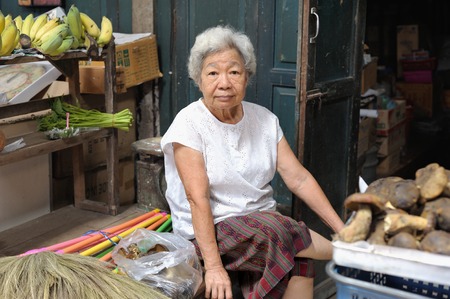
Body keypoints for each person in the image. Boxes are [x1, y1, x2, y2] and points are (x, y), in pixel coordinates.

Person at [160, 25, 345, 299]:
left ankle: (347, 245)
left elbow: (299, 178)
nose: (224, 83)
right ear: (198, 79)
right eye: (213, 73)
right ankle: (349, 253)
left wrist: (341, 229)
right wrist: (213, 267)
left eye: (234, 72)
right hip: (211, 228)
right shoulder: (189, 124)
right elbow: (196, 198)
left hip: (260, 225)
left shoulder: (265, 120)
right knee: (275, 230)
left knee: (296, 258)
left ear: (247, 77)